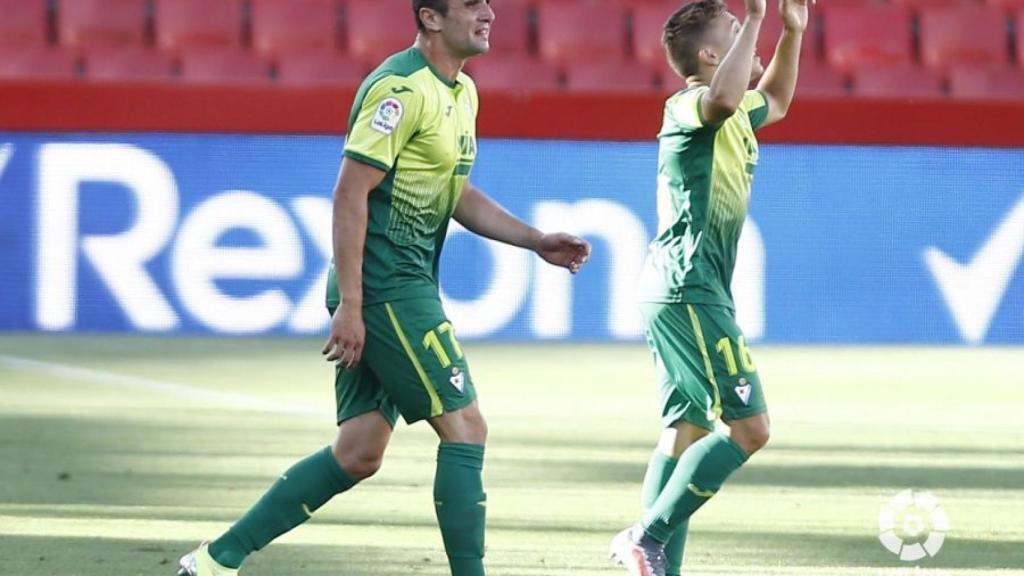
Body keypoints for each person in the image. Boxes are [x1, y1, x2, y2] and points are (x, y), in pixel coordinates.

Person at [176, 1, 591, 575]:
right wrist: (352, 302)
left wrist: (534, 239)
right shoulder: (399, 89)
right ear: (430, 18)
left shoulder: (461, 92)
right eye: (472, 4)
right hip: (385, 288)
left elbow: (458, 190)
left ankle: (217, 559)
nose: (489, 13)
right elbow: (350, 191)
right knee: (466, 427)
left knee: (358, 453)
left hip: (398, 286)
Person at [608, 0, 807, 574]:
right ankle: (645, 536)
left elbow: (778, 100)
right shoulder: (690, 105)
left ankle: (657, 563)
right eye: (737, 33)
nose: (753, 40)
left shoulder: (737, 110)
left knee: (685, 431)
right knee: (749, 428)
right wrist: (756, 18)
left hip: (681, 286)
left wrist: (792, 33)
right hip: (689, 286)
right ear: (712, 55)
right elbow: (721, 98)